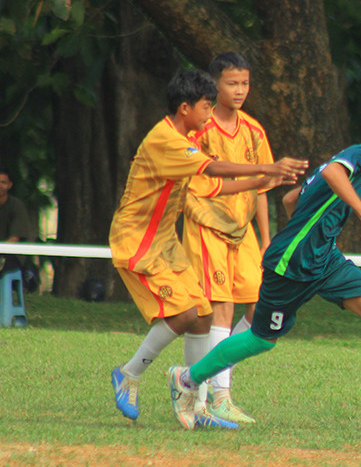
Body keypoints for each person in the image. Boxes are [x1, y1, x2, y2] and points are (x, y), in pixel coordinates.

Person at [166, 108, 361, 430]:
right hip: (291, 263)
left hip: (324, 259)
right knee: (262, 339)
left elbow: (292, 198)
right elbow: (333, 173)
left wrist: (314, 233)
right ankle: (186, 379)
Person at [110, 70, 307, 429]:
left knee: (202, 314)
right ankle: (129, 374)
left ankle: (197, 405)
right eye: (205, 106)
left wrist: (262, 180)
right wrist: (267, 166)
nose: (209, 113)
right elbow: (214, 168)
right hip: (137, 241)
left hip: (164, 241)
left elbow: (212, 187)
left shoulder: (185, 139)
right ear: (185, 108)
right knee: (185, 314)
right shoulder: (167, 140)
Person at [182, 53, 275, 424]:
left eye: (245, 83)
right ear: (215, 85)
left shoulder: (254, 130)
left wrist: (266, 238)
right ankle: (218, 397)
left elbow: (262, 187)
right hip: (208, 227)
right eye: (232, 83)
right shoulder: (200, 130)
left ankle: (206, 380)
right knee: (221, 307)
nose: (240, 90)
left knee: (260, 306)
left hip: (243, 230)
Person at [0, 165, 32, 274]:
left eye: (3, 182)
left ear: (10, 185)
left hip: (11, 255)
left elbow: (14, 239)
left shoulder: (16, 206)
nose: (0, 186)